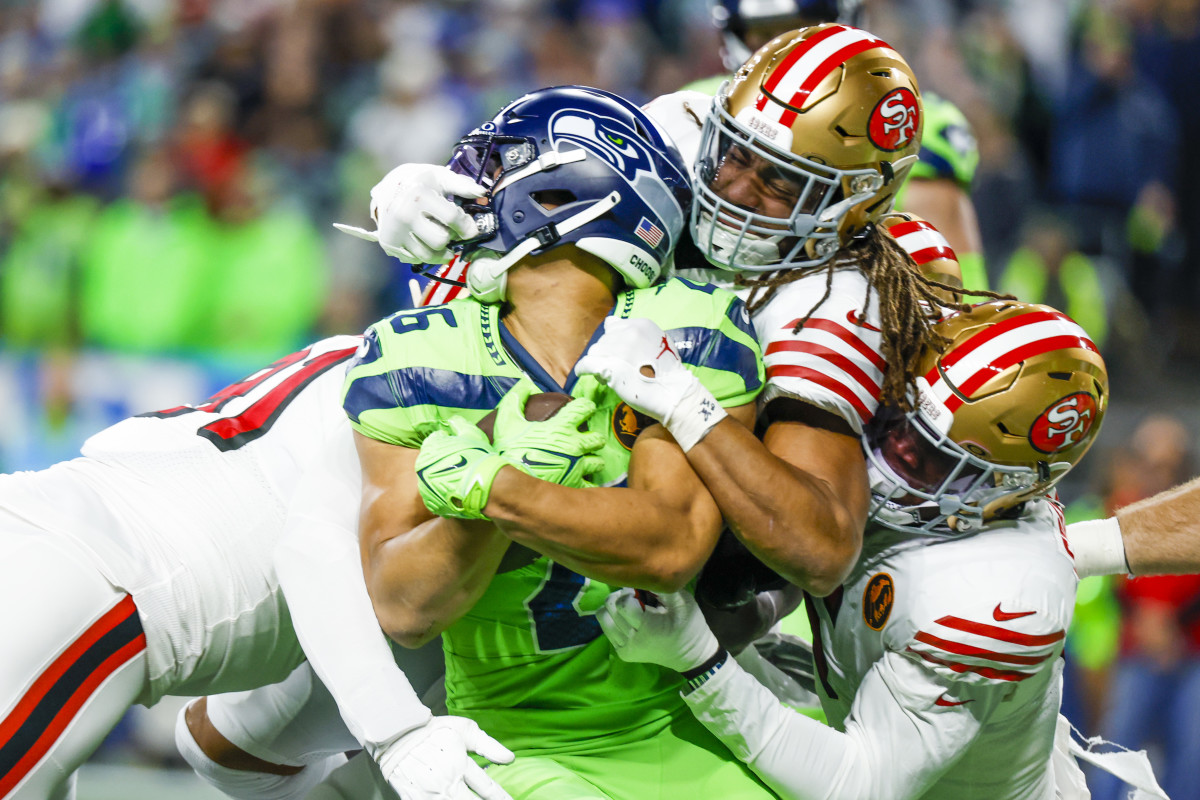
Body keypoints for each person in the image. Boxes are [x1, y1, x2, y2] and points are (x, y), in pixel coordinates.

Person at [336, 84, 773, 800]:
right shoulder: (411, 350)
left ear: (562, 194)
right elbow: (405, 607)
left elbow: (669, 548)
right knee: (239, 743)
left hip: (683, 720)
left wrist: (501, 489)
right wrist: (482, 518)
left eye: (494, 168)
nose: (465, 194)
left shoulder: (690, 323)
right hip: (514, 742)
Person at [591, 300, 1168, 800]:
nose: (891, 457)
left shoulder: (999, 600)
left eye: (933, 457)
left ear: (1010, 488)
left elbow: (857, 785)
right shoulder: (964, 502)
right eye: (896, 420)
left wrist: (702, 659)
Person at [0, 332, 513, 800]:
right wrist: (396, 729)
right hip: (100, 575)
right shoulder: (477, 392)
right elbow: (314, 546)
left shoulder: (401, 348)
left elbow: (218, 742)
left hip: (56, 532)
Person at [698, 0, 988, 291]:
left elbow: (956, 287)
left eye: (803, 27)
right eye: (766, 34)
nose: (798, 48)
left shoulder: (897, 117)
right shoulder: (697, 101)